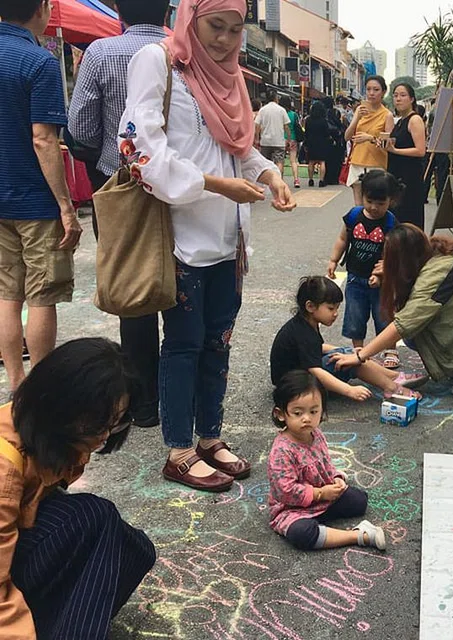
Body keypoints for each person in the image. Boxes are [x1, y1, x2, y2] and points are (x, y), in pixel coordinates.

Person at [120, 0, 296, 492]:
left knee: (218, 343)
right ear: (190, 18)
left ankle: (209, 437)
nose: (223, 39)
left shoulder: (231, 77)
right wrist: (217, 185)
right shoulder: (157, 61)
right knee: (182, 343)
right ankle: (178, 449)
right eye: (215, 26)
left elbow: (239, 148)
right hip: (179, 238)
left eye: (234, 30)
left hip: (228, 239)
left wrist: (269, 173)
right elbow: (138, 147)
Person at [0, 338, 156, 639]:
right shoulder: (6, 465)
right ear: (58, 405)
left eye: (115, 423)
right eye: (97, 424)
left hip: (18, 539)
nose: (103, 438)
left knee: (133, 549)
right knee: (93, 517)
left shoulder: (48, 429)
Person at [67, 0, 170, 428]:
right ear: (168, 12)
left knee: (134, 292)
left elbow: (81, 132)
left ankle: (144, 405)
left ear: (119, 12)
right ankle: (180, 397)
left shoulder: (100, 53)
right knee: (183, 286)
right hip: (185, 188)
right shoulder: (184, 53)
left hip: (122, 186)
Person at [0, 0, 83, 393]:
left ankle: (16, 382)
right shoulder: (39, 61)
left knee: (6, 293)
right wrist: (66, 206)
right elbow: (43, 139)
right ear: (42, 9)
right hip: (35, 200)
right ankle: (41, 389)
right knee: (42, 295)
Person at [330, 225, 453, 396]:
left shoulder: (433, 275)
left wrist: (359, 355)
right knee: (417, 332)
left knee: (419, 329)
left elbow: (404, 323)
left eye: (390, 258)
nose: (384, 261)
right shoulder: (433, 253)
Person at [268, 370, 387, 551]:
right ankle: (358, 535)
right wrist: (320, 494)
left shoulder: (315, 434)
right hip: (291, 509)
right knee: (302, 534)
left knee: (359, 500)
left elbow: (326, 464)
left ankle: (322, 523)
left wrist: (337, 477)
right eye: (298, 413)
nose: (307, 418)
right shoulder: (282, 450)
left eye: (313, 411)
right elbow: (286, 491)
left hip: (324, 496)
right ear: (281, 414)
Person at [269, 276, 424, 402]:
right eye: (331, 308)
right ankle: (391, 387)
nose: (335, 313)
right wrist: (350, 390)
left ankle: (395, 377)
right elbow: (316, 371)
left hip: (297, 375)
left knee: (348, 355)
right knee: (347, 363)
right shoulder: (302, 332)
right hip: (293, 386)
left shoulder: (306, 323)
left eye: (337, 308)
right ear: (310, 306)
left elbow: (318, 347)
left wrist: (349, 353)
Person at [326, 171, 403, 368]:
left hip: (382, 280)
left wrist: (385, 269)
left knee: (384, 314)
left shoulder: (390, 222)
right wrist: (334, 260)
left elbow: (395, 249)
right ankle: (358, 349)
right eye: (370, 201)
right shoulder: (353, 216)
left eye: (381, 203)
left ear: (390, 201)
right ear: (363, 195)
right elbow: (343, 239)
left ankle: (390, 349)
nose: (374, 207)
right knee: (355, 315)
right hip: (355, 277)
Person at [344, 76, 394, 206]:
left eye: (376, 89)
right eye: (368, 89)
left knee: (375, 206)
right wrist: (356, 118)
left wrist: (370, 138)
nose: (371, 93)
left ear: (383, 92)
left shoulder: (387, 115)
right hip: (357, 162)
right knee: (359, 207)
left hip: (376, 164)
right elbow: (347, 137)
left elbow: (388, 145)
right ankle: (357, 227)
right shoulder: (360, 110)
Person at [387, 83, 427, 229]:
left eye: (403, 95)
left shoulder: (414, 120)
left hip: (409, 177)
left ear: (411, 99)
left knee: (408, 220)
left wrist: (395, 150)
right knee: (396, 218)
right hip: (396, 175)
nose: (398, 99)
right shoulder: (400, 121)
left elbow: (420, 150)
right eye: (396, 95)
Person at [256, 91, 290, 177]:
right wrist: (288, 139)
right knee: (279, 162)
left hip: (265, 141)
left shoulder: (262, 110)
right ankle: (278, 179)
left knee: (266, 163)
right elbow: (286, 126)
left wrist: (257, 138)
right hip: (279, 141)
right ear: (276, 98)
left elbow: (257, 125)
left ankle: (267, 183)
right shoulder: (281, 110)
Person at [304, 100, 331, 187]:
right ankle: (321, 180)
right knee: (322, 162)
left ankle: (310, 180)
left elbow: (306, 132)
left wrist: (306, 144)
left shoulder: (308, 120)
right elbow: (327, 133)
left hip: (311, 142)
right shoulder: (323, 121)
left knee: (311, 162)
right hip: (322, 143)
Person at [281, 97, 303, 188]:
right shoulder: (294, 115)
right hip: (293, 139)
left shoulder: (280, 114)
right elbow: (298, 126)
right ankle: (296, 180)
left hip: (282, 139)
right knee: (293, 161)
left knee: (280, 161)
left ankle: (281, 180)